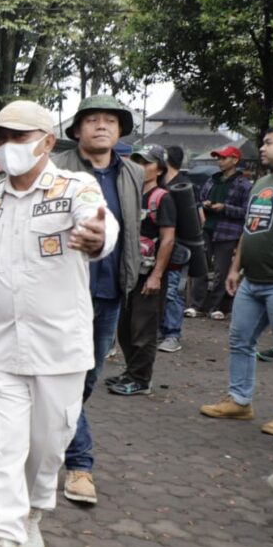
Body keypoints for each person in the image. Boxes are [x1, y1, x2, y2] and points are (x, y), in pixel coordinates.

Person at [0, 100, 115, 547]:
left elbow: (100, 224)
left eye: (19, 137)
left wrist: (97, 238)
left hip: (59, 349)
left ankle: (32, 519)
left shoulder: (76, 187)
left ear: (47, 142)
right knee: (3, 452)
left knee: (46, 450)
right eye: (0, 137)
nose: (6, 147)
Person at [52, 93, 143, 506]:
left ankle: (55, 435)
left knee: (84, 381)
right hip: (64, 292)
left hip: (110, 292)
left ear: (120, 130)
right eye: (92, 120)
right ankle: (80, 465)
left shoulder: (133, 174)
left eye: (110, 120)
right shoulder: (57, 170)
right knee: (69, 379)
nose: (102, 126)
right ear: (77, 130)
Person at [199, 124, 273, 438]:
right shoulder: (261, 182)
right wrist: (236, 267)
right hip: (251, 279)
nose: (262, 148)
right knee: (240, 341)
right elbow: (250, 229)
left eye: (269, 142)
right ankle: (239, 400)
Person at [105, 145, 177, 396]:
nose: (140, 167)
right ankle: (131, 372)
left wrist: (157, 275)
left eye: (146, 163)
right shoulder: (130, 194)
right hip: (128, 272)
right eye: (137, 161)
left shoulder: (163, 198)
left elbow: (167, 240)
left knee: (143, 329)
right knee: (124, 327)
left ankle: (141, 379)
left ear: (159, 169)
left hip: (149, 275)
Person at [188, 145, 251, 321]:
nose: (220, 161)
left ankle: (216, 307)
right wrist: (205, 204)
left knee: (221, 271)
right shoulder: (211, 180)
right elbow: (199, 201)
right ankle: (196, 305)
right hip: (207, 228)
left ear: (235, 160)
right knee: (200, 268)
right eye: (219, 158)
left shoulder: (244, 185)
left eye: (224, 158)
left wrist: (225, 208)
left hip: (228, 232)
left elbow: (247, 211)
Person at [156, 146, 189, 353]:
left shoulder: (183, 186)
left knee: (173, 291)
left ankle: (172, 334)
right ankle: (162, 329)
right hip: (157, 247)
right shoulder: (160, 185)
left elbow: (199, 218)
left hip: (178, 246)